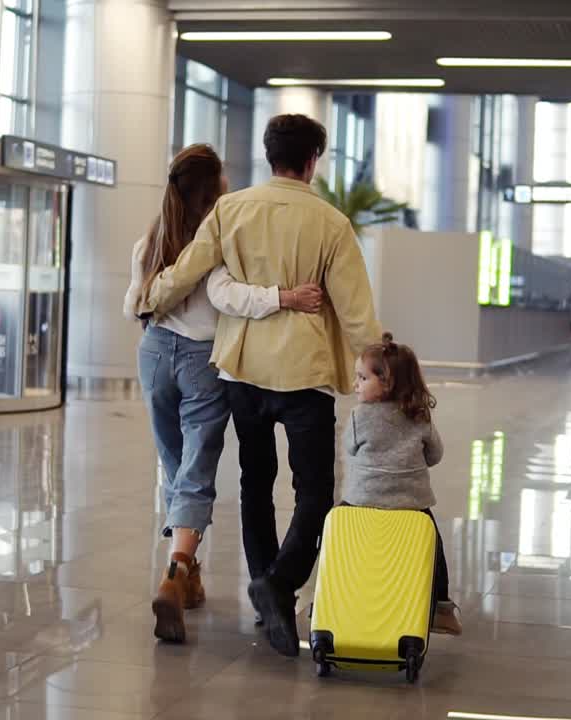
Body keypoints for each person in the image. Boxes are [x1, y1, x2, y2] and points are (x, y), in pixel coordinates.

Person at [139, 114, 383, 657]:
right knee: (314, 491)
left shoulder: (231, 209)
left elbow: (188, 269)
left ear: (270, 156)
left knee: (256, 483)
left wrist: (149, 297)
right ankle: (277, 584)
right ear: (313, 160)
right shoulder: (332, 224)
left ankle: (266, 594)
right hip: (305, 375)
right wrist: (387, 369)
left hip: (243, 372)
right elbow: (358, 314)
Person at [123, 143, 326, 643]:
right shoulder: (219, 232)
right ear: (215, 188)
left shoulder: (152, 237)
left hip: (153, 353)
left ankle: (188, 577)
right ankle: (176, 571)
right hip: (200, 359)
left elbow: (135, 304)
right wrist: (286, 297)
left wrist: (153, 300)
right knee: (195, 470)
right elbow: (224, 294)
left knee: (173, 464)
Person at [341, 333, 463, 636]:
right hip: (412, 504)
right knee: (434, 547)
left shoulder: (359, 416)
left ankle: (331, 595)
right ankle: (440, 609)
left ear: (387, 382)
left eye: (362, 377)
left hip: (361, 502)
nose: (356, 384)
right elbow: (435, 455)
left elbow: (350, 449)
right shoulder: (419, 416)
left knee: (337, 535)